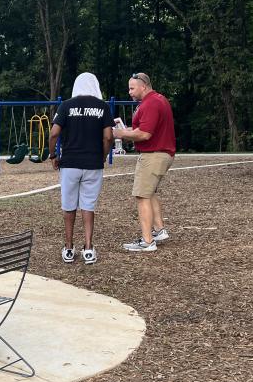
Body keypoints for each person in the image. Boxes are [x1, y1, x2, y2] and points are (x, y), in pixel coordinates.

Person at [50, 72, 113, 265]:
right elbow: (109, 137)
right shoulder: (102, 107)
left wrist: (53, 155)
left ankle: (69, 248)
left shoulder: (66, 105)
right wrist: (102, 156)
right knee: (88, 206)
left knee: (68, 206)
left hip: (69, 163)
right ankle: (88, 248)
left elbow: (54, 133)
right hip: (93, 163)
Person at [114, 72, 176, 252]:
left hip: (153, 155)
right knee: (149, 193)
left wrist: (119, 133)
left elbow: (144, 134)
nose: (130, 92)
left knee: (142, 195)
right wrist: (126, 131)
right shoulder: (159, 99)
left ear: (144, 86)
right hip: (161, 153)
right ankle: (158, 230)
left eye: (132, 88)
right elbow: (145, 129)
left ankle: (147, 241)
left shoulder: (151, 103)